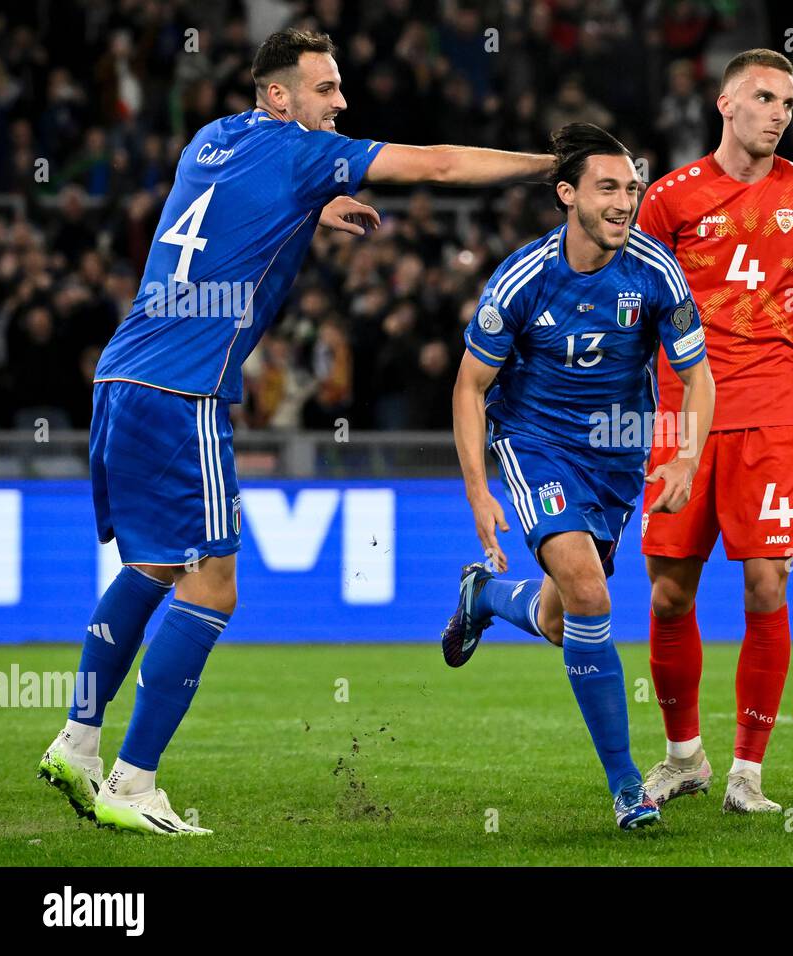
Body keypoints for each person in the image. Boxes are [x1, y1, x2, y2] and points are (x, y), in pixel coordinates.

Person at [38, 28, 555, 835]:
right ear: (278, 97)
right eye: (326, 89)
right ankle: (134, 785)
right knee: (213, 584)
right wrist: (548, 166)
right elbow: (444, 164)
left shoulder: (211, 140)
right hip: (183, 390)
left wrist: (316, 203)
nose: (341, 103)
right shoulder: (300, 153)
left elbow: (234, 213)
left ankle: (77, 741)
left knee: (147, 567)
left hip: (122, 373)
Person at [443, 123, 716, 830]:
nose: (626, 201)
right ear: (568, 195)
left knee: (566, 618)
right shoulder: (522, 280)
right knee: (592, 595)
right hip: (536, 446)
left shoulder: (656, 270)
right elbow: (470, 388)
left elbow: (699, 376)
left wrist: (685, 453)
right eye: (608, 188)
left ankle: (486, 599)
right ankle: (628, 787)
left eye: (632, 187)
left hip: (619, 460)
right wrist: (478, 491)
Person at [635, 49, 793, 813]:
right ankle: (684, 758)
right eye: (765, 98)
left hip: (774, 412)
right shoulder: (668, 201)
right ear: (726, 104)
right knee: (671, 592)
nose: (779, 113)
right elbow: (634, 314)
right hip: (685, 417)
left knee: (768, 581)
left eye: (789, 102)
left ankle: (748, 771)